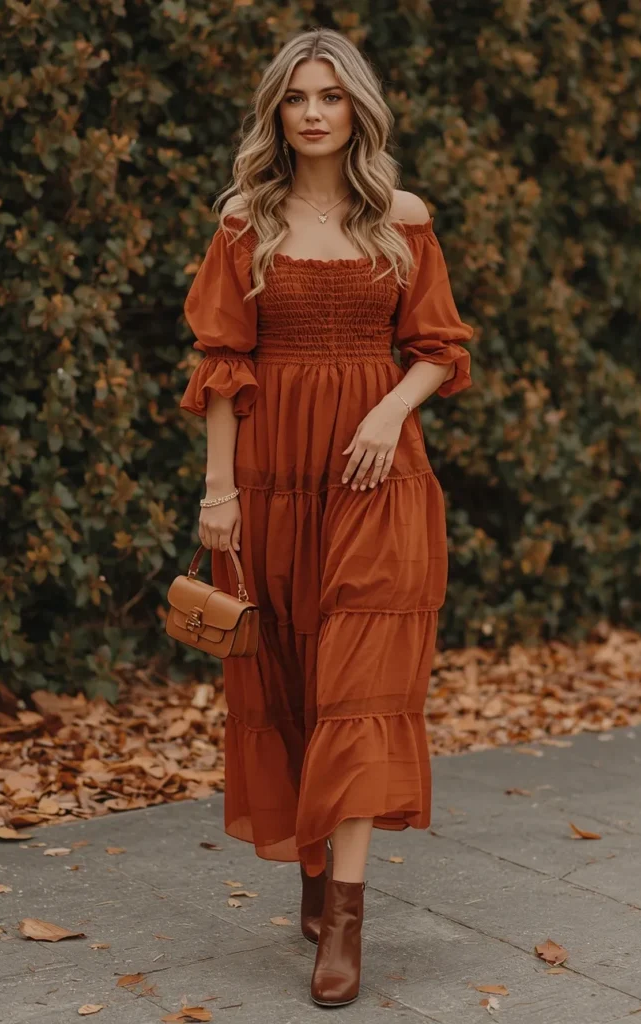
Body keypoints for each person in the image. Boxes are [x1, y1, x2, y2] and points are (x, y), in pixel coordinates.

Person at [180, 27, 474, 1009]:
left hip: (376, 479)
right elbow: (221, 364)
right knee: (294, 675)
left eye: (330, 96)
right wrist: (217, 492)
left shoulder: (402, 216)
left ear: (357, 110)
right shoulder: (243, 222)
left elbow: (436, 343)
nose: (312, 111)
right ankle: (312, 866)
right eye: (297, 97)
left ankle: (344, 918)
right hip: (269, 479)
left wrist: (388, 411)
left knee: (359, 682)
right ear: (276, 111)